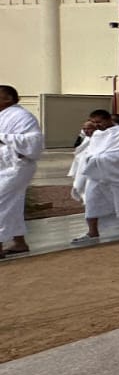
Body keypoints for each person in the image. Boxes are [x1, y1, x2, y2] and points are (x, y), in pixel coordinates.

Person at [69, 109, 119, 242]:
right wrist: (92, 159)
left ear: (108, 120)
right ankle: (92, 232)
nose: (96, 125)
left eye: (99, 122)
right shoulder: (97, 135)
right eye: (94, 122)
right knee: (91, 200)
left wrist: (101, 158)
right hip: (97, 174)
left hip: (118, 174)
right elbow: (92, 152)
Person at [0, 85, 43, 256]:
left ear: (8, 98)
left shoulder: (22, 116)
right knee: (13, 203)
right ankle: (19, 243)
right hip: (3, 166)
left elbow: (34, 141)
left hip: (17, 166)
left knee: (2, 202)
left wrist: (3, 137)